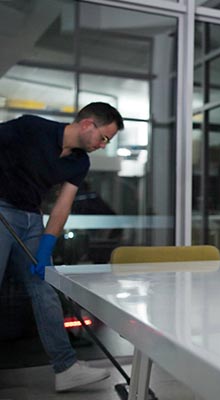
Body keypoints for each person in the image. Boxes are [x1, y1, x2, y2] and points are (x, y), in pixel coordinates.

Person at [0, 102, 124, 391]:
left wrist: (45, 247)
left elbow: (62, 207)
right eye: (104, 137)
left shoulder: (80, 162)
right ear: (86, 124)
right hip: (2, 209)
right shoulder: (30, 128)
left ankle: (66, 368)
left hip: (31, 219)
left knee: (45, 288)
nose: (103, 145)